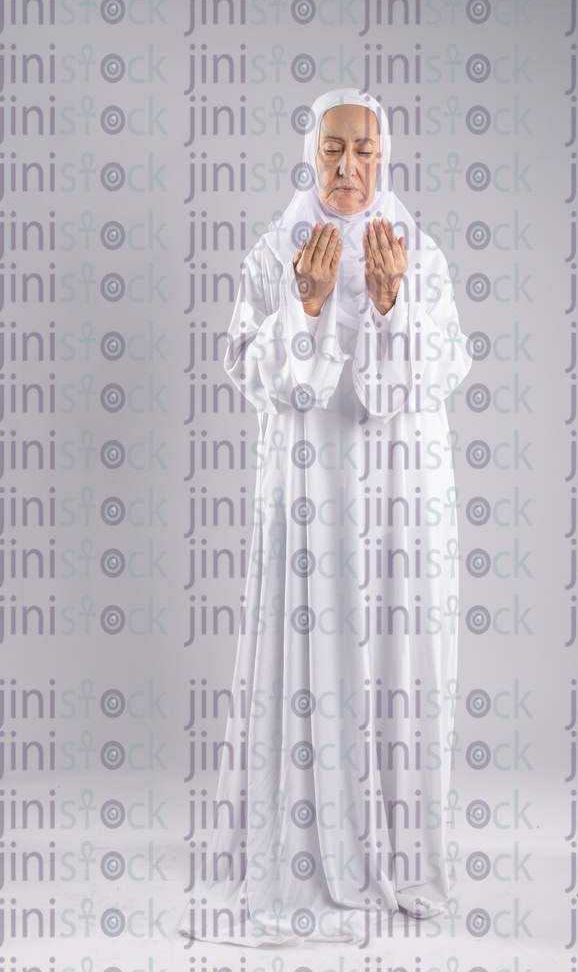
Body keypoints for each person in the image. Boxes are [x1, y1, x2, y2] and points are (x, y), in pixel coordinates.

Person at [179, 88, 473, 947]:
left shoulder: (418, 251)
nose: (349, 168)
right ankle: (307, 835)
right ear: (310, 153)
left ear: (386, 158)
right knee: (314, 636)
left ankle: (393, 841)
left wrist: (391, 304)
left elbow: (437, 371)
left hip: (399, 490)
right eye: (334, 150)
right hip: (310, 489)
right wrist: (304, 306)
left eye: (366, 153)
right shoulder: (278, 250)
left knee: (391, 642)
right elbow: (250, 370)